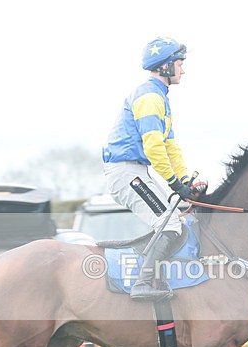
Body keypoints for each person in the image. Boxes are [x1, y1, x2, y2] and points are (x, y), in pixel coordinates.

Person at [102, 36, 201, 301]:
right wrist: (172, 181)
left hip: (137, 171)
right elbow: (154, 148)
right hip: (126, 173)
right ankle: (142, 284)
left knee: (175, 222)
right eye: (180, 64)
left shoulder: (160, 98)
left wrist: (184, 181)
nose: (183, 69)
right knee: (169, 224)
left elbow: (170, 146)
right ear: (166, 67)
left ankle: (150, 274)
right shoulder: (149, 98)